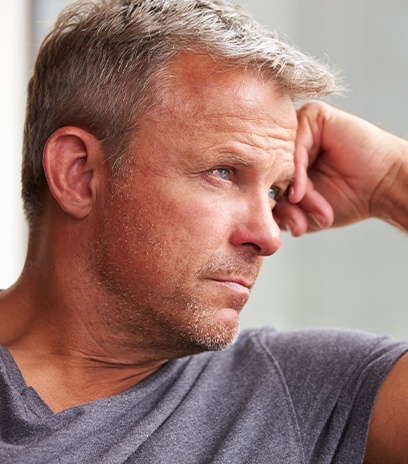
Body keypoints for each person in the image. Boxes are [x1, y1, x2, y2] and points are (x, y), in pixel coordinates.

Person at [0, 0, 407, 462]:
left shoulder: (313, 395)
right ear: (79, 173)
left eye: (276, 191)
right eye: (225, 173)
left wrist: (393, 178)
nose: (269, 236)